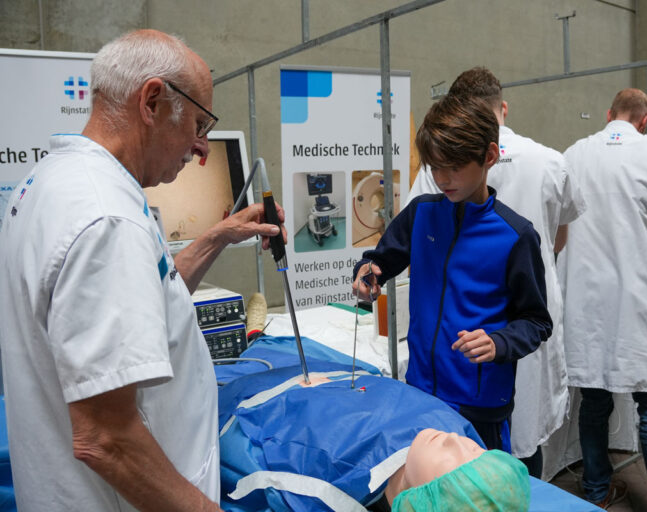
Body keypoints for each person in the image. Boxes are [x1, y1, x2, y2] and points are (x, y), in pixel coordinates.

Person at [0, 30, 285, 511]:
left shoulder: (51, 182)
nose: (202, 150)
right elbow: (106, 438)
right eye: (198, 124)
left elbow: (150, 293)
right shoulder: (106, 218)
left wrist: (218, 235)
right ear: (152, 101)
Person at [406, 66, 585, 478]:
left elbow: (422, 250)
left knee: (472, 452)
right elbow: (559, 241)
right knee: (519, 445)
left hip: (475, 336)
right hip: (498, 335)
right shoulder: (551, 162)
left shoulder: (435, 174)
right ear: (503, 106)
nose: (445, 176)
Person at [352, 94, 552, 454]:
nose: (442, 179)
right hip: (419, 393)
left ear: (489, 156)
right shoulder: (421, 214)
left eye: (454, 168)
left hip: (479, 406)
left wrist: (498, 342)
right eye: (434, 168)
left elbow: (536, 322)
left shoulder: (515, 236)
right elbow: (380, 260)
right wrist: (368, 273)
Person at [557, 88, 647, 510]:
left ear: (607, 113)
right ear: (645, 120)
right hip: (637, 297)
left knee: (594, 400)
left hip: (584, 298)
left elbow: (562, 228)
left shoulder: (574, 154)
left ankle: (596, 490)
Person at [217, 361, 531, 512]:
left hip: (253, 398)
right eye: (477, 449)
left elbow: (236, 450)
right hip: (330, 370)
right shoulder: (451, 426)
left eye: (457, 463)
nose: (455, 441)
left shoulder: (319, 486)